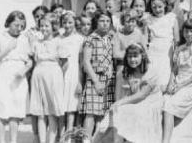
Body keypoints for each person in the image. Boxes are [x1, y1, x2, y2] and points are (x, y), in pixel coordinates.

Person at [93, 43, 164, 143]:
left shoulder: (151, 70)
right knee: (115, 111)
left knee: (128, 110)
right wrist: (117, 104)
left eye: (135, 56)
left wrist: (120, 103)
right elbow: (127, 93)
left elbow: (142, 95)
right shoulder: (127, 71)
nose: (132, 60)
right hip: (136, 100)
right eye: (129, 56)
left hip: (151, 101)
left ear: (142, 56)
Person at [162, 19, 192, 143]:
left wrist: (181, 85)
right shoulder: (179, 49)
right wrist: (170, 84)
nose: (189, 34)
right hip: (178, 82)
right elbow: (174, 69)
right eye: (186, 31)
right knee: (162, 102)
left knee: (169, 106)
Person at [0, 11, 32, 143]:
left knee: (15, 111)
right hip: (3, 75)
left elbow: (30, 60)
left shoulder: (25, 39)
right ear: (9, 23)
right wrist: (8, 48)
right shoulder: (0, 37)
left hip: (19, 77)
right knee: (1, 110)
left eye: (22, 26)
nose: (19, 28)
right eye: (16, 25)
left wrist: (24, 70)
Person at [28, 13, 65, 143]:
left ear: (53, 26)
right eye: (42, 26)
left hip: (53, 76)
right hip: (38, 75)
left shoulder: (58, 41)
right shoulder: (37, 43)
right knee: (40, 112)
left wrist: (59, 78)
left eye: (47, 26)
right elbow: (33, 58)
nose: (43, 28)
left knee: (52, 111)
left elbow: (64, 63)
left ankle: (51, 140)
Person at [80, 11, 116, 139]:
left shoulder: (111, 38)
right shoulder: (91, 39)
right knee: (90, 113)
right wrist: (96, 81)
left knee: (103, 114)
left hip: (108, 80)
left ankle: (97, 140)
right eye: (102, 21)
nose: (105, 24)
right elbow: (86, 62)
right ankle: (86, 139)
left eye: (107, 21)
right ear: (96, 22)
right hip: (94, 79)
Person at [58, 12, 85, 134]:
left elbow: (80, 61)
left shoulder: (80, 39)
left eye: (70, 22)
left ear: (75, 23)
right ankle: (60, 134)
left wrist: (80, 81)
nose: (67, 25)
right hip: (60, 75)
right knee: (60, 106)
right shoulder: (58, 39)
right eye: (65, 22)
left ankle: (68, 136)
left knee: (71, 107)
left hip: (74, 74)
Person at [146, 0, 180, 89]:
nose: (157, 10)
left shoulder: (171, 18)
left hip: (167, 51)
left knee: (165, 76)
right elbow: (146, 37)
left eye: (160, 7)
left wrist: (176, 53)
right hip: (153, 50)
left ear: (165, 4)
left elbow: (176, 39)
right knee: (153, 76)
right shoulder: (149, 19)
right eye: (154, 7)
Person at [27, 6, 49, 143]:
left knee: (48, 106)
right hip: (34, 71)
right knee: (36, 107)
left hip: (49, 73)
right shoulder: (30, 33)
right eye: (37, 16)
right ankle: (36, 136)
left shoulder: (50, 31)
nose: (39, 18)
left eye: (43, 15)